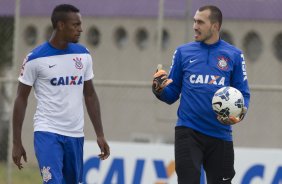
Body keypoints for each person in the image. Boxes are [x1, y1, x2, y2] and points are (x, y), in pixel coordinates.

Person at [12, 4, 110, 184]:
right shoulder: (35, 59)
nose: (80, 29)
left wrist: (100, 134)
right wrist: (16, 142)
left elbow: (90, 95)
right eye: (76, 25)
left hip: (75, 135)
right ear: (60, 25)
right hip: (47, 132)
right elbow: (20, 99)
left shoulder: (83, 55)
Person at [152, 5, 250, 184]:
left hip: (220, 134)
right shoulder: (183, 52)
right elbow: (172, 93)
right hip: (188, 131)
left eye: (200, 22)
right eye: (194, 21)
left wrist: (239, 114)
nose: (195, 26)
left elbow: (243, 94)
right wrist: (159, 90)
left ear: (215, 26)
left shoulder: (234, 55)